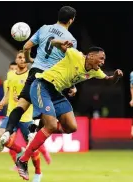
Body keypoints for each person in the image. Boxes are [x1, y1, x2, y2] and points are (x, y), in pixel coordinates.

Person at [16, 40, 123, 180]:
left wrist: (116, 76)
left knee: (72, 127)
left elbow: (108, 79)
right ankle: (23, 160)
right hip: (42, 86)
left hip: (56, 93)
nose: (103, 62)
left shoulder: (95, 71)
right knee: (52, 125)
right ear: (90, 56)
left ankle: (40, 126)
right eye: (101, 58)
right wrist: (60, 42)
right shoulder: (75, 55)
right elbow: (53, 42)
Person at [0, 6, 77, 147]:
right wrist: (72, 85)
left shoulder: (44, 28)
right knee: (49, 110)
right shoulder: (71, 40)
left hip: (34, 71)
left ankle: (7, 131)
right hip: (51, 78)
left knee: (21, 105)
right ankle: (35, 129)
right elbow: (69, 67)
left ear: (58, 16)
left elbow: (26, 47)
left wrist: (28, 59)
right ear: (71, 20)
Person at [0, 50, 50, 182]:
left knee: (32, 147)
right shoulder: (10, 75)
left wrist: (23, 97)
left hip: (27, 117)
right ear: (16, 59)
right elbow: (8, 92)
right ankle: (20, 151)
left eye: (23, 57)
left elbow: (36, 93)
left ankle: (38, 173)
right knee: (0, 137)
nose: (21, 59)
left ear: (26, 60)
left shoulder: (32, 75)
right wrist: (3, 101)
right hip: (11, 114)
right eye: (19, 57)